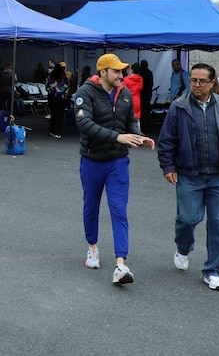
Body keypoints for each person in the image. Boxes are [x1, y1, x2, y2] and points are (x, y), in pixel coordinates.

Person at [158, 63, 219, 291]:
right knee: (187, 219)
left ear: (212, 83)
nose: (197, 85)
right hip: (189, 175)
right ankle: (183, 248)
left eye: (202, 81)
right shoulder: (179, 107)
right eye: (193, 80)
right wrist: (167, 166)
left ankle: (212, 270)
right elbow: (167, 140)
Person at [73, 54, 154, 285]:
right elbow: (84, 124)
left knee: (119, 210)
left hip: (118, 161)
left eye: (122, 71)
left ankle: (121, 265)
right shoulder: (85, 93)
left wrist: (139, 137)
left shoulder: (125, 93)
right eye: (116, 71)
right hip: (92, 160)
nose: (121, 75)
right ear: (103, 72)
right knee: (91, 206)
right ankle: (92, 248)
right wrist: (118, 137)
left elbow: (130, 123)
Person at [46, 63, 69, 139]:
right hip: (61, 98)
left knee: (53, 114)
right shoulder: (64, 77)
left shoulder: (50, 77)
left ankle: (52, 130)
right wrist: (60, 89)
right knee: (60, 115)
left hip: (52, 97)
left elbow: (47, 87)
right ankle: (57, 132)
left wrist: (53, 88)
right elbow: (66, 87)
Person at [138, 60, 154, 133]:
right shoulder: (150, 73)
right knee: (147, 111)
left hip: (141, 95)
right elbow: (151, 84)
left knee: (142, 111)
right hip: (148, 94)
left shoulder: (140, 73)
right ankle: (147, 127)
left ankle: (143, 127)